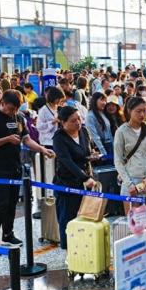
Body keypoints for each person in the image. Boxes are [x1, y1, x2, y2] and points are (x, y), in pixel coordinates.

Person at [0, 90, 55, 254]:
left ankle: (8, 234)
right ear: (2, 103)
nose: (12, 112)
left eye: (15, 109)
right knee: (1, 204)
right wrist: (6, 139)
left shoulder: (19, 118)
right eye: (10, 108)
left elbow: (26, 139)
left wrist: (42, 149)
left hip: (15, 165)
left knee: (12, 202)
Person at [52, 106, 96, 249]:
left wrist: (92, 156)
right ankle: (68, 248)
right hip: (67, 182)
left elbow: (87, 151)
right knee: (67, 218)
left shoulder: (84, 131)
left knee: (86, 216)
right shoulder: (59, 138)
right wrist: (84, 178)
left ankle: (84, 244)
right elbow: (67, 161)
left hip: (86, 180)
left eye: (79, 118)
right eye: (73, 120)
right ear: (63, 123)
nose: (78, 122)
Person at [113, 97, 146, 217]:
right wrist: (129, 184)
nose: (142, 114)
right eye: (138, 111)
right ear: (129, 111)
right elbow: (118, 161)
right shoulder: (121, 131)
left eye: (144, 110)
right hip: (131, 177)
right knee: (134, 221)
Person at [86, 92, 113, 157]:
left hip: (110, 145)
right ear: (95, 100)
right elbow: (94, 136)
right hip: (102, 147)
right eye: (102, 100)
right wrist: (103, 152)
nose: (104, 103)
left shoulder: (102, 113)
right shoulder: (90, 116)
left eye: (105, 100)